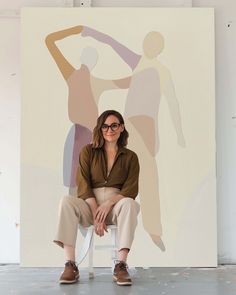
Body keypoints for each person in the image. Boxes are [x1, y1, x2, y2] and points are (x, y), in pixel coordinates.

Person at [82, 27, 186, 251]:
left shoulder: (163, 71)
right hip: (128, 124)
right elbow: (113, 43)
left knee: (149, 177)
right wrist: (92, 32)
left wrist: (179, 133)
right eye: (148, 41)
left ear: (159, 48)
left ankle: (154, 229)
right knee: (123, 171)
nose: (149, 45)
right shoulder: (138, 62)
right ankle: (110, 216)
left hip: (146, 127)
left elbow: (173, 102)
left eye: (154, 43)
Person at [54, 110, 140, 286]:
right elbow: (83, 185)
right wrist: (96, 214)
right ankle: (70, 264)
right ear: (100, 129)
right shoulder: (88, 151)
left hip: (116, 207)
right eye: (105, 126)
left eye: (114, 125)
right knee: (66, 201)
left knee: (130, 203)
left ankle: (121, 265)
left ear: (122, 127)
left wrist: (109, 203)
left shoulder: (131, 157)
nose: (110, 130)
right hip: (90, 205)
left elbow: (130, 188)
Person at [45, 26, 131, 194]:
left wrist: (75, 30)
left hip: (88, 137)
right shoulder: (89, 80)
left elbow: (50, 41)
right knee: (78, 183)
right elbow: (125, 82)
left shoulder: (75, 76)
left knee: (84, 184)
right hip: (81, 135)